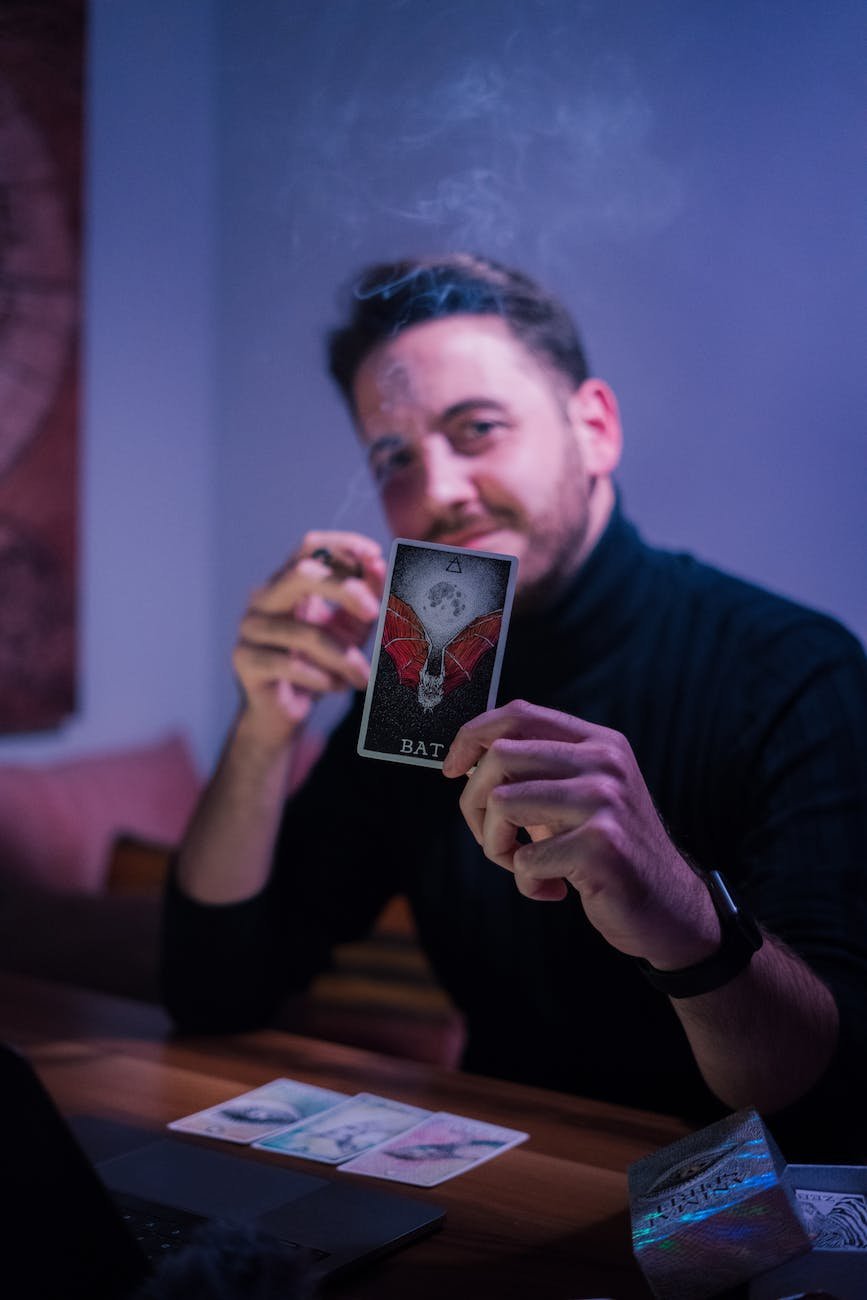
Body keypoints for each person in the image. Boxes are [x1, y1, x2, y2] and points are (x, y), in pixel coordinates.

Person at [162, 255, 867, 1160]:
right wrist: (265, 729)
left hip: (744, 1205)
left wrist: (682, 911)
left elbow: (837, 1092)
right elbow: (216, 993)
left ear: (595, 427)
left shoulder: (792, 667)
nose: (439, 491)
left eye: (477, 428)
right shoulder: (435, 674)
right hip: (504, 1180)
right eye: (394, 457)